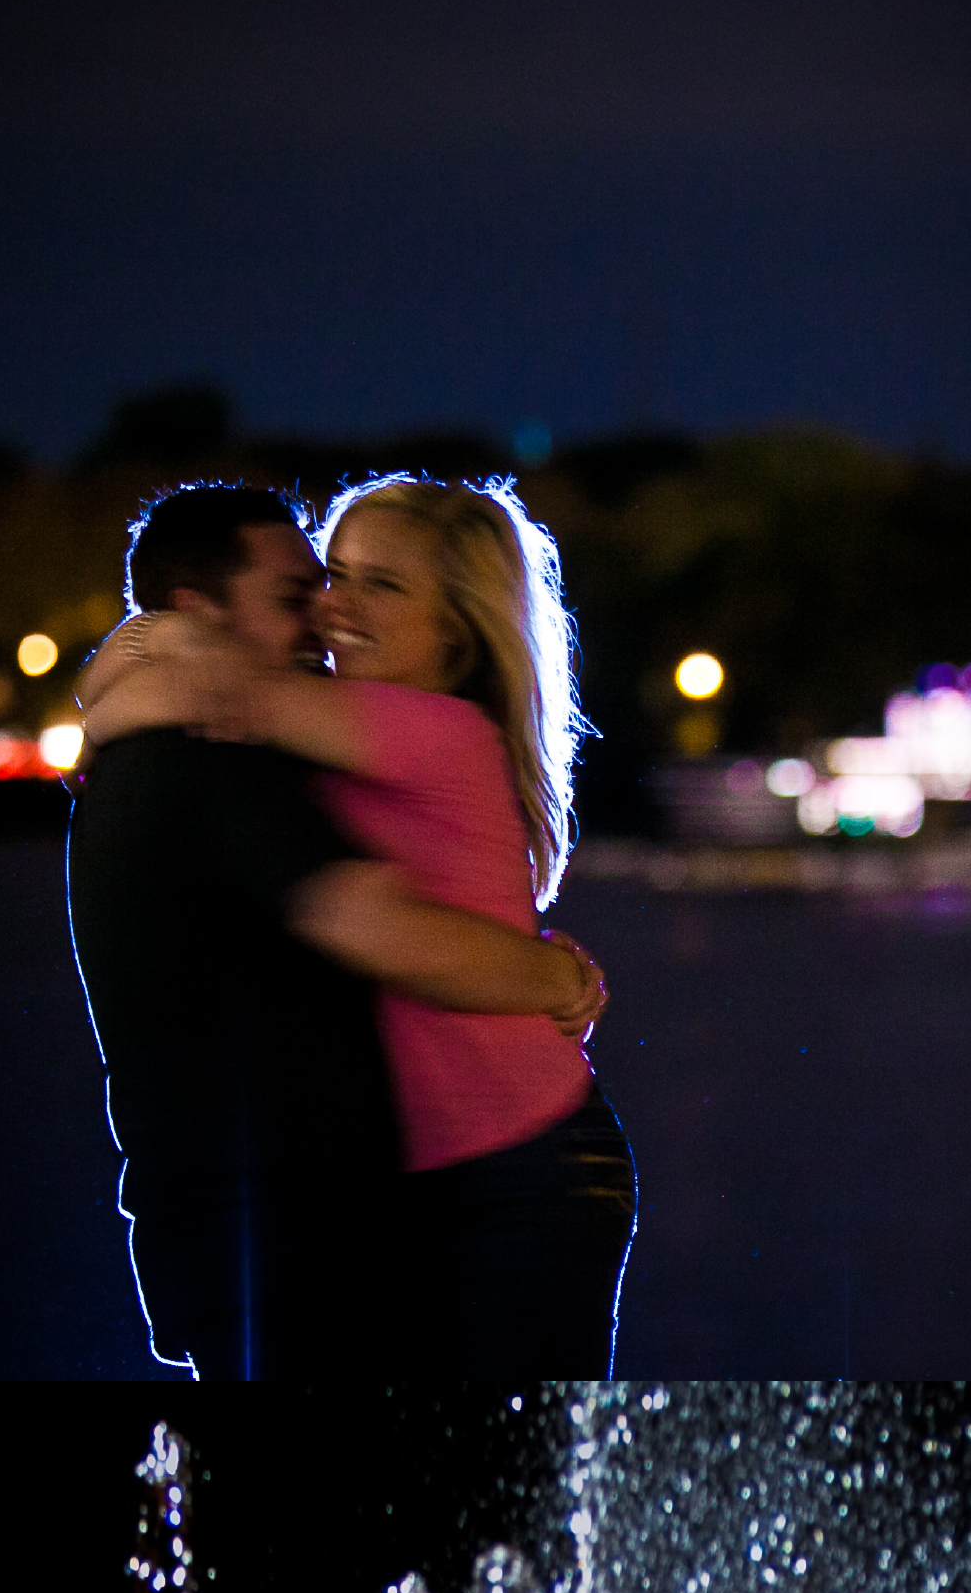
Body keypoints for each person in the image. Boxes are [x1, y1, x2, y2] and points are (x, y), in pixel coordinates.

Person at [79, 472, 636, 1377]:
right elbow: (114, 695)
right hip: (442, 1179)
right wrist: (168, 641)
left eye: (381, 584)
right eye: (332, 574)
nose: (335, 606)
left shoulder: (432, 730)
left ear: (456, 626)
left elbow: (118, 701)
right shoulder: (327, 735)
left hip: (528, 1170)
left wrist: (157, 665)